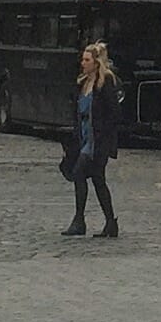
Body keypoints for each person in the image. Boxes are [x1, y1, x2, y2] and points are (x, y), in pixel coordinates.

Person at [62, 42, 120, 238]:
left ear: (96, 63)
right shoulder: (83, 83)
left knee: (79, 173)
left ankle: (79, 220)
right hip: (85, 137)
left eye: (87, 60)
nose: (83, 63)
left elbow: (113, 114)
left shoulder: (105, 83)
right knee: (98, 180)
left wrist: (106, 140)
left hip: (98, 141)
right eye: (83, 59)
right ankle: (111, 223)